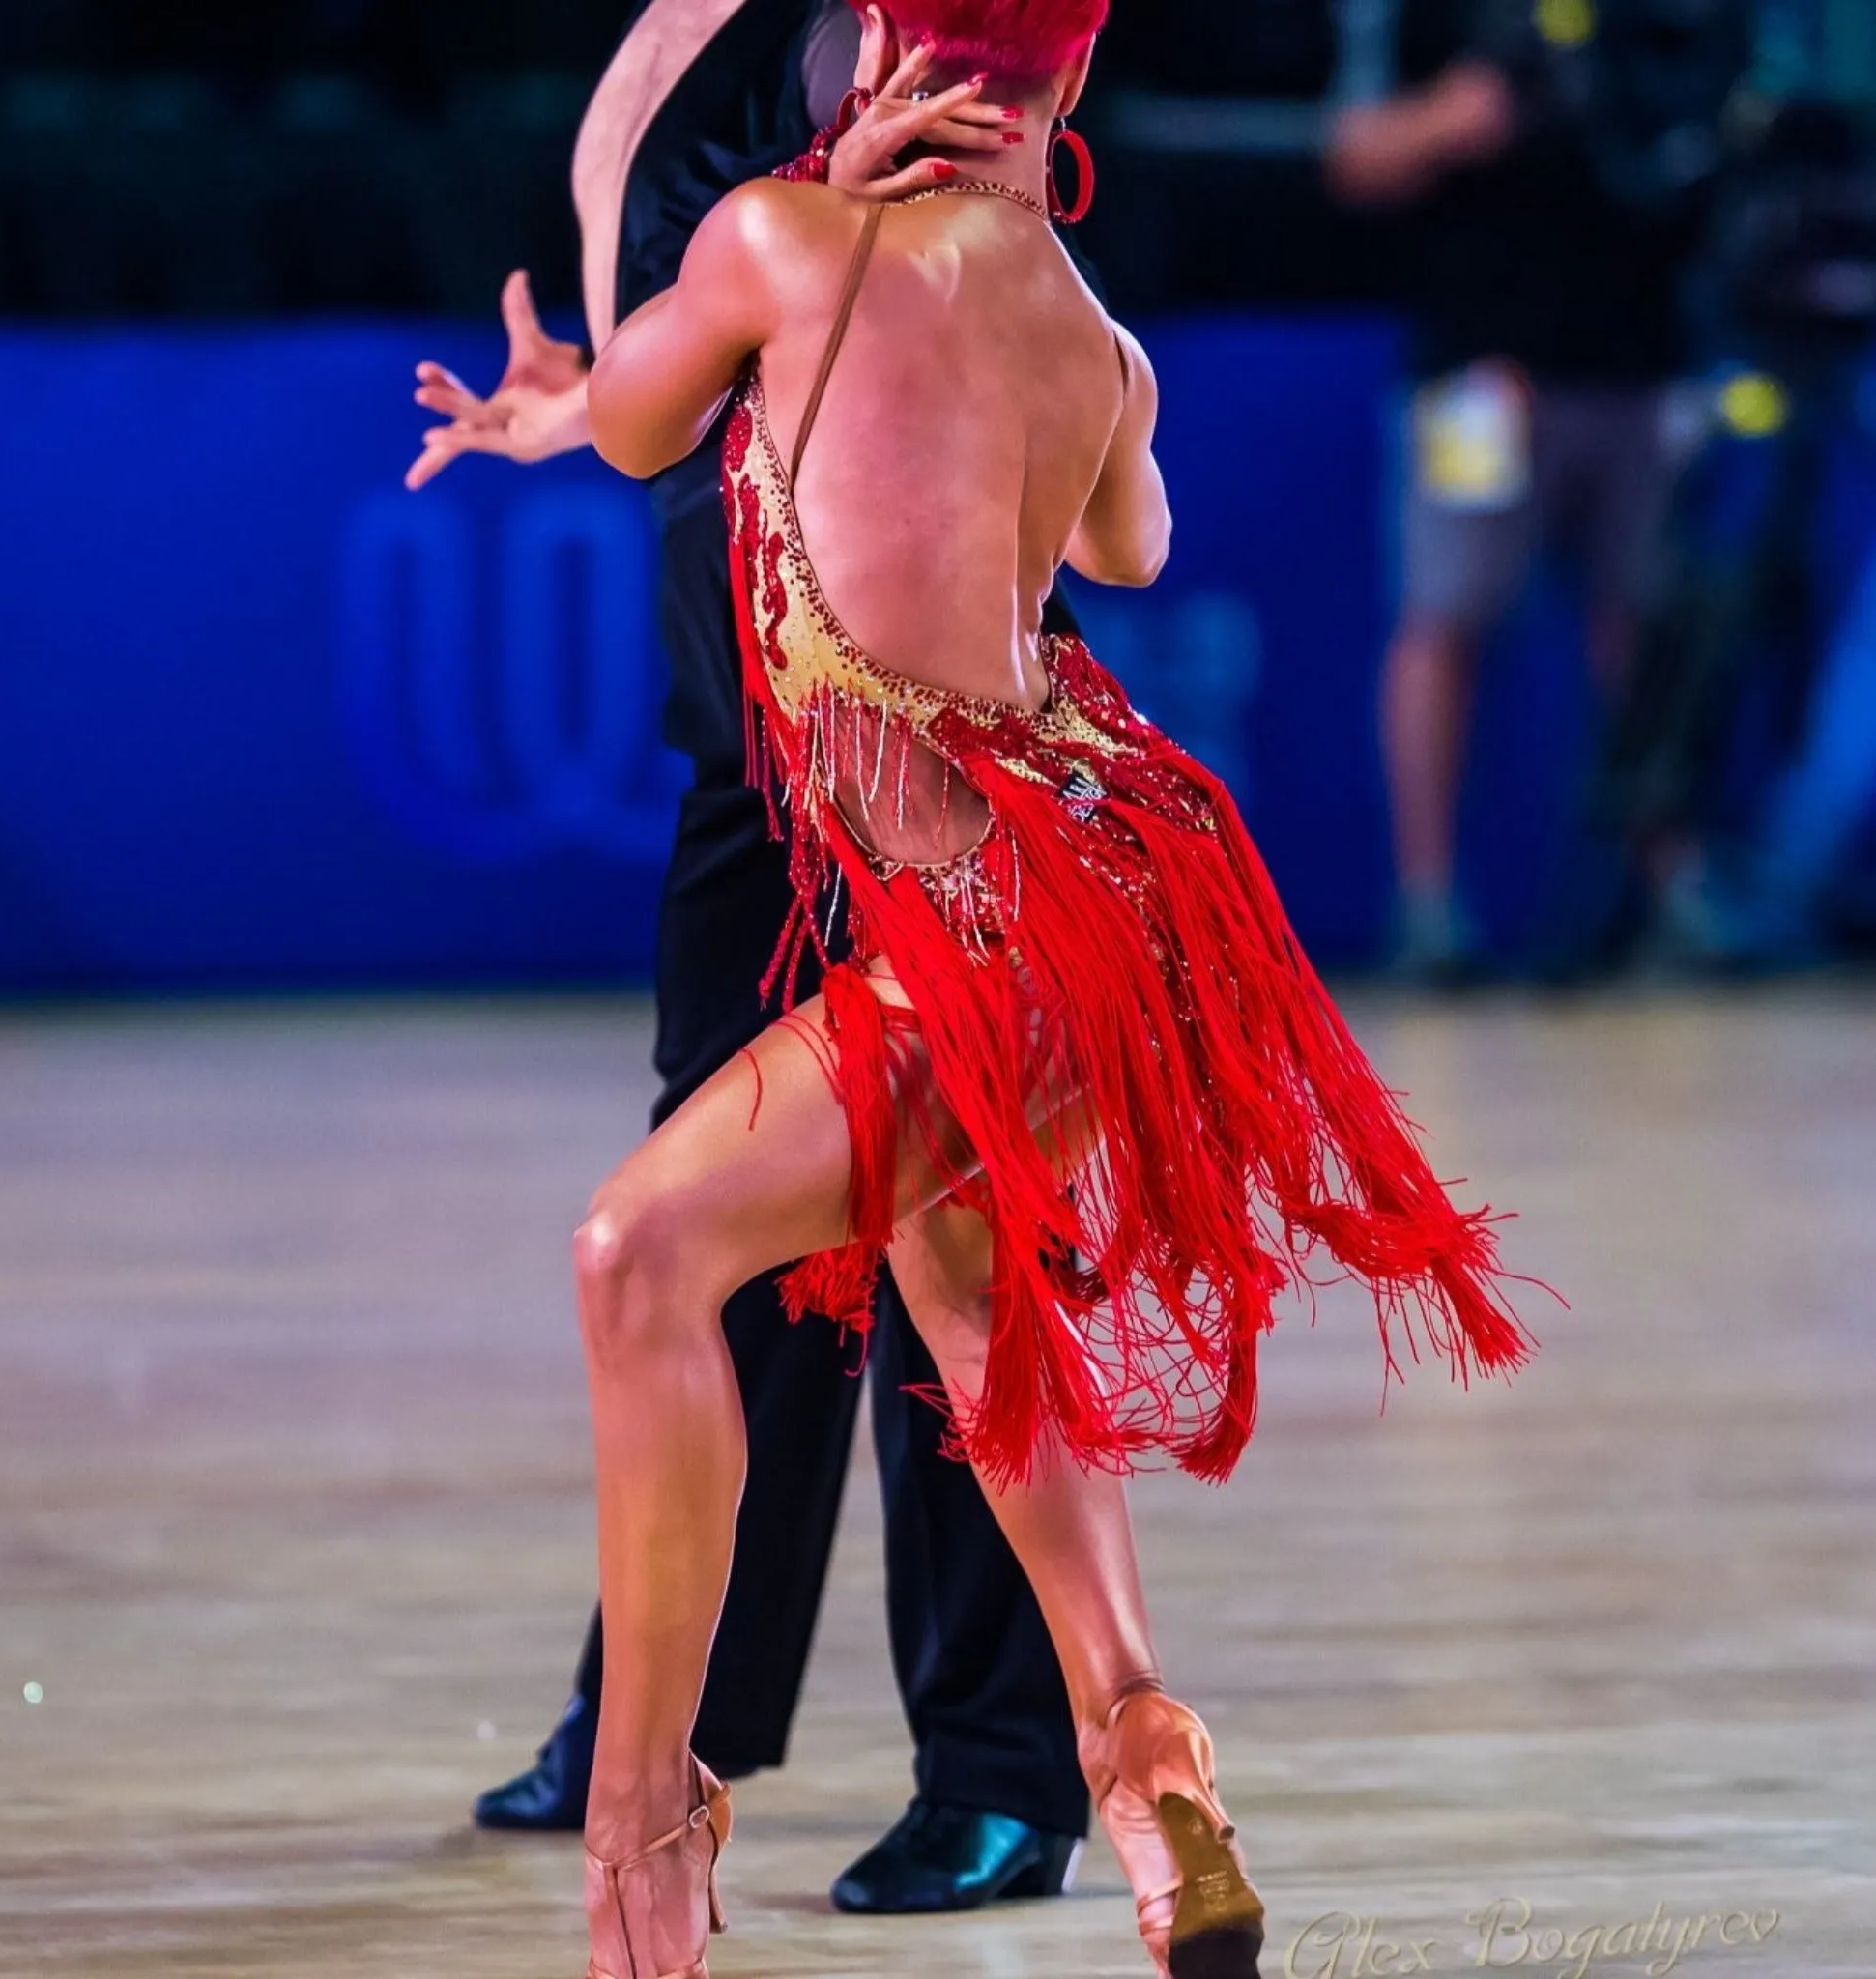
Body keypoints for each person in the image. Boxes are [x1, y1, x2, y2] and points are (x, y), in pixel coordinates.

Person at [572, 3, 1538, 1976]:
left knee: (635, 1256)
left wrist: (813, 228)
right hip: (1121, 904)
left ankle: (640, 1818)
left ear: (870, 68)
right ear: (1064, 94)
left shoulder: (777, 239)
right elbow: (1129, 533)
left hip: (995, 932)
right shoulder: (1101, 341)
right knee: (954, 1285)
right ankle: (1143, 1749)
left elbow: (627, 422)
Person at [407, 0, 1091, 1914]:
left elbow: (975, 237)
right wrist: (593, 397)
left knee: (950, 1218)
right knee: (723, 1217)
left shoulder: (899, 18)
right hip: (748, 693)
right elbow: (704, 337)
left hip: (901, 706)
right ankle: (671, 1713)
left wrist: (820, 215)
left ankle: (1006, 1762)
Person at [1327, 0, 1741, 982]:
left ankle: (1667, 892)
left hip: (1640, 371)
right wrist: (1449, 120)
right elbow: (1353, 158)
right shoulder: (1441, 19)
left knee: (1641, 633)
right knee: (1445, 619)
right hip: (1480, 375)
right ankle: (1426, 908)